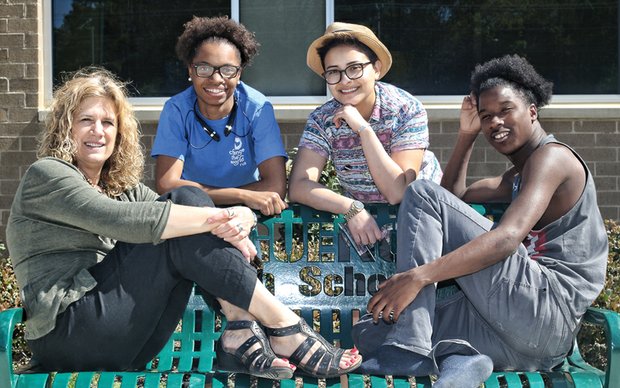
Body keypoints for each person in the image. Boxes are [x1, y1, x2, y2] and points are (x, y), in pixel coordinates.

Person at [6, 68, 361, 379]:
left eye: (108, 122)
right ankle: (284, 326)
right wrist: (224, 219)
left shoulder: (123, 190)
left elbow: (182, 216)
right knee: (187, 207)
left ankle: (239, 327)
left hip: (131, 339)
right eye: (86, 120)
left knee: (190, 204)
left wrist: (245, 214)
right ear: (66, 126)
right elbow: (123, 221)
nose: (98, 131)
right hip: (67, 333)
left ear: (119, 133)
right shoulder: (47, 175)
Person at [351, 55, 608, 387]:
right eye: (486, 116)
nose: (495, 123)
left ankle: (411, 344)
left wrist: (419, 276)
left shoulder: (552, 158)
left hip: (546, 309)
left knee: (420, 192)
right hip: (523, 341)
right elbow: (454, 198)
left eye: (505, 110)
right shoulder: (517, 175)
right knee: (370, 331)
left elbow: (506, 238)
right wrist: (466, 136)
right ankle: (464, 358)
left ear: (532, 110)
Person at [288, 22, 442, 249]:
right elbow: (299, 185)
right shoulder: (322, 119)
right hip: (363, 226)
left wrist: (363, 130)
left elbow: (397, 192)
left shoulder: (405, 109)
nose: (345, 80)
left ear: (376, 69)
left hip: (420, 223)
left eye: (354, 68)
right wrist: (350, 208)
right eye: (333, 72)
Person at [152, 16, 288, 216]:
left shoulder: (257, 108)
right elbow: (166, 184)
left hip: (246, 216)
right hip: (193, 212)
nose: (216, 79)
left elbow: (275, 187)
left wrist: (236, 200)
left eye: (227, 70)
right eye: (204, 68)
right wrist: (241, 196)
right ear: (191, 69)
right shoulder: (177, 110)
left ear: (239, 73)